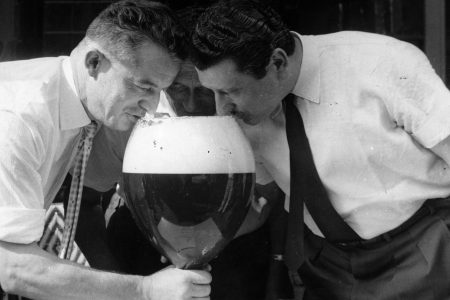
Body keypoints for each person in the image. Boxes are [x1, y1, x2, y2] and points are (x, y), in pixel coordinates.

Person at [190, 0, 450, 299]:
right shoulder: (243, 115)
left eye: (230, 91)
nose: (221, 109)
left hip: (420, 249)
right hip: (326, 265)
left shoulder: (381, 62)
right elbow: (263, 199)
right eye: (212, 92)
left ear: (277, 62)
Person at [0, 1, 213, 299]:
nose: (151, 106)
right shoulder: (20, 116)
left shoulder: (76, 102)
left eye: (160, 91)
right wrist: (146, 290)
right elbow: (13, 268)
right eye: (143, 86)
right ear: (94, 63)